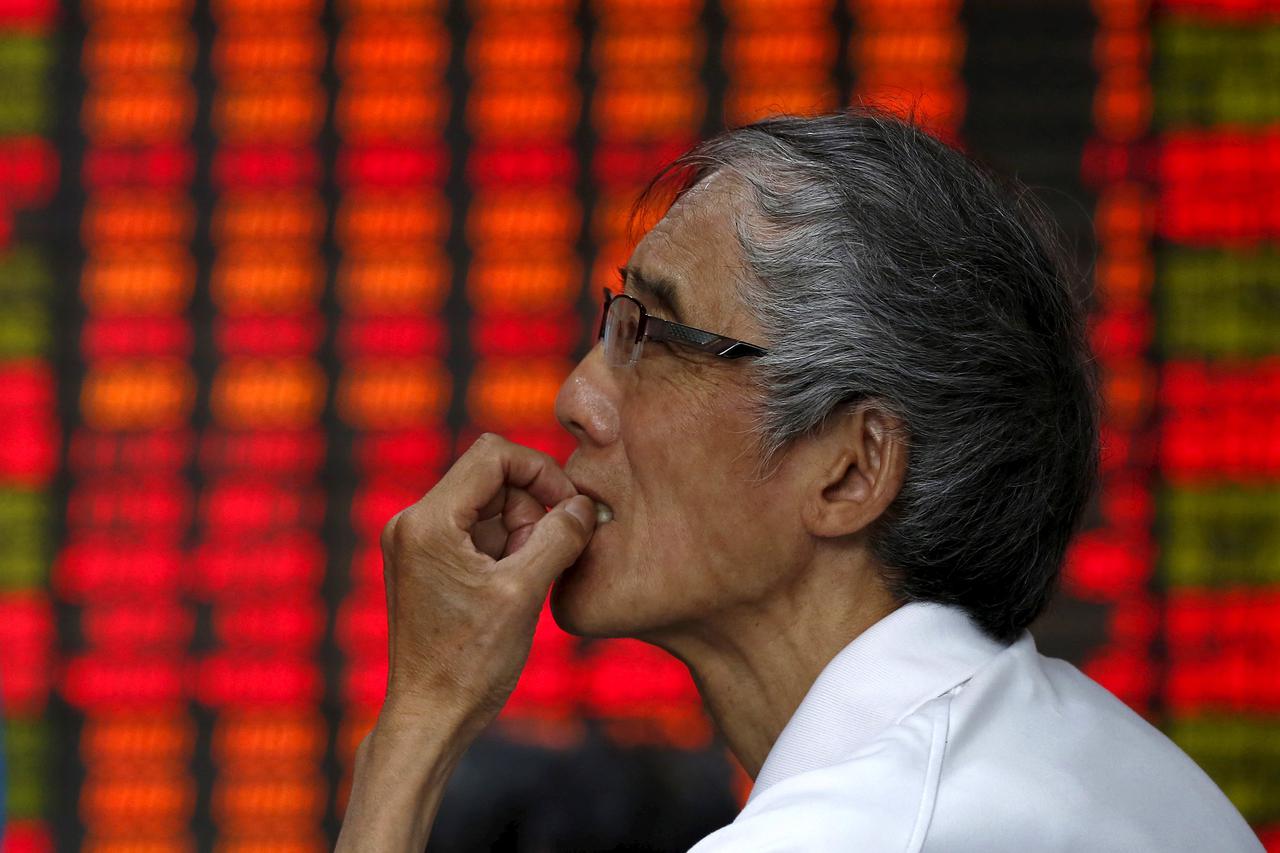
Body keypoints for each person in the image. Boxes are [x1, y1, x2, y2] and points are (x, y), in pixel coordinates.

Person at [335, 108, 1262, 852]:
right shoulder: (1122, 768)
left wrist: (418, 722)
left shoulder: (846, 832)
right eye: (613, 322)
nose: (576, 396)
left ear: (850, 470)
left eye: (653, 336)